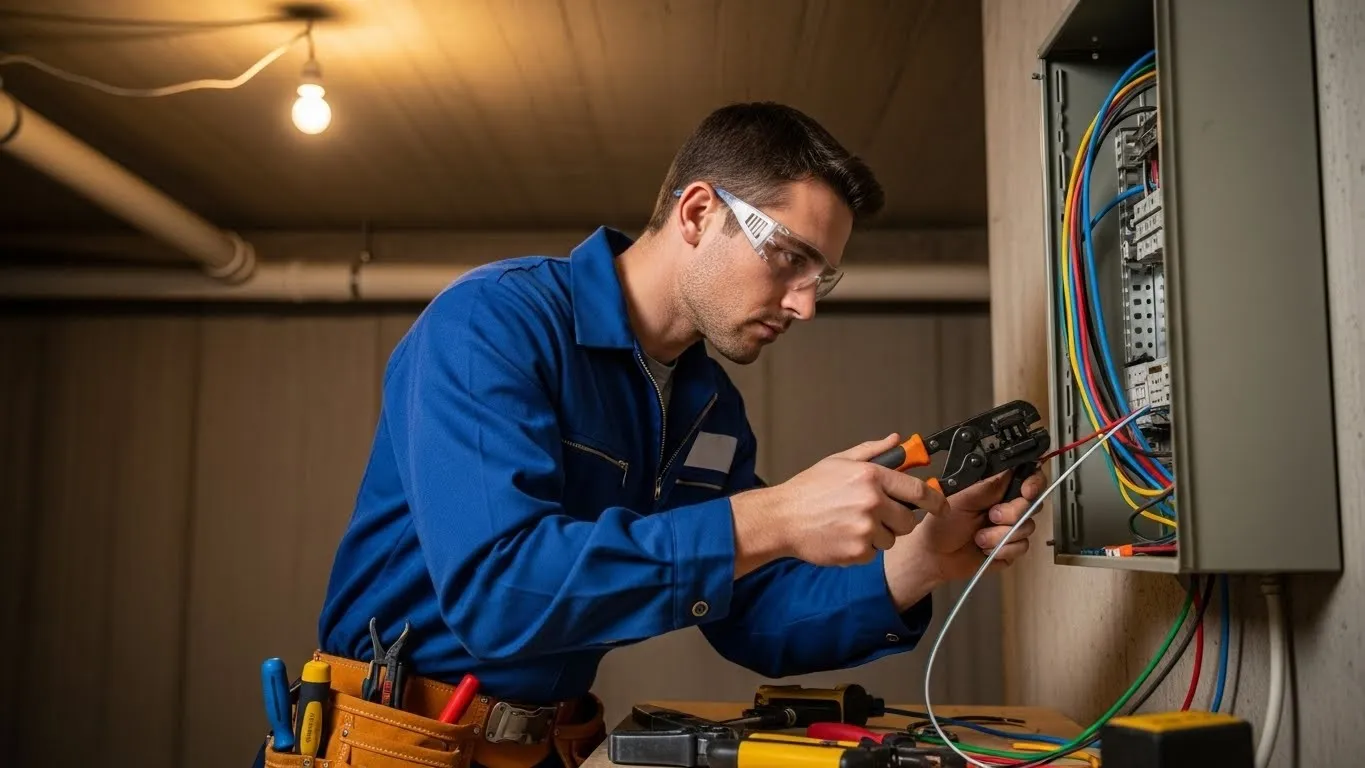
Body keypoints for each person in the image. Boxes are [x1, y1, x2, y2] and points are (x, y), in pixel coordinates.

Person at [307, 102, 1044, 768]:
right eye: (789, 257)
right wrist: (775, 514)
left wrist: (916, 563)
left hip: (550, 748)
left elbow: (753, 617)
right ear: (696, 213)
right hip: (391, 745)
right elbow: (502, 592)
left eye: (821, 278)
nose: (803, 305)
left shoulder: (707, 406)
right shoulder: (492, 325)